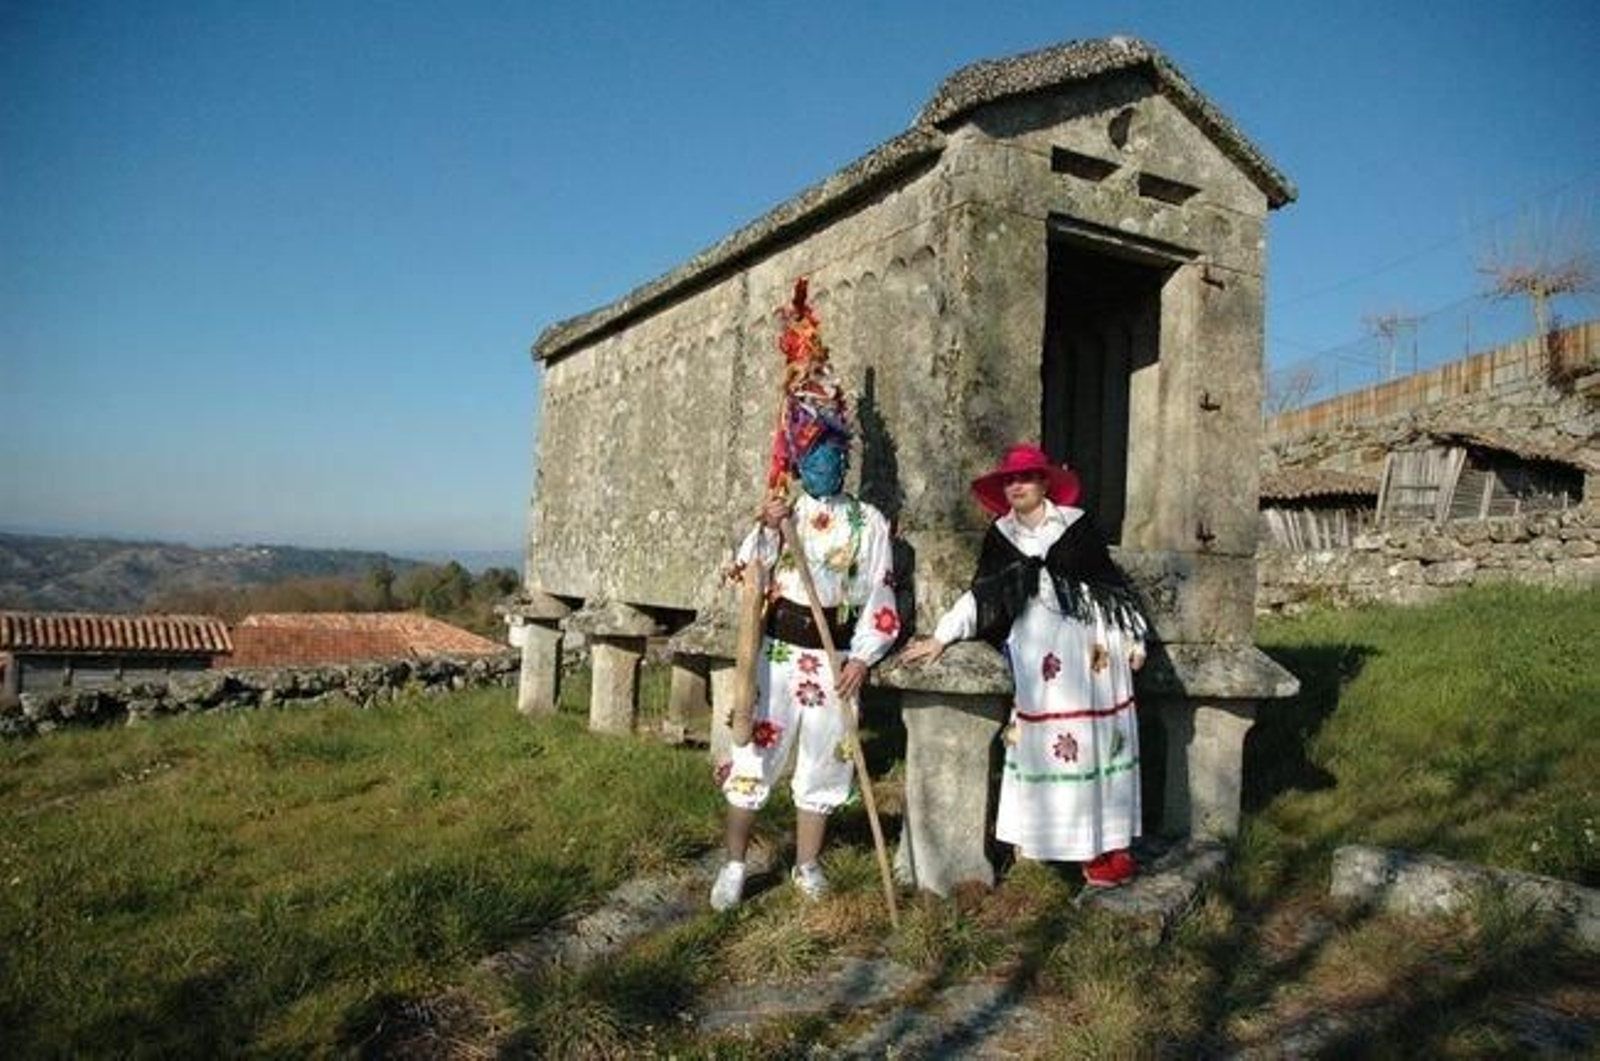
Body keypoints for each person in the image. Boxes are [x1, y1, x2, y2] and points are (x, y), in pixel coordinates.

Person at [708, 290, 901, 913]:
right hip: (778, 658)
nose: (831, 461)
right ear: (798, 455)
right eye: (817, 451)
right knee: (754, 755)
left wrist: (864, 658)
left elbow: (880, 594)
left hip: (834, 656)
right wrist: (765, 526)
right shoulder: (782, 513)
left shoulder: (869, 523)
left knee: (826, 763)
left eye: (838, 451)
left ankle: (808, 865)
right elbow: (744, 574)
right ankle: (736, 865)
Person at [901, 443, 1147, 887]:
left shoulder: (1077, 525)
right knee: (1056, 740)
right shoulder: (1002, 536)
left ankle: (1112, 844)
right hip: (1041, 650)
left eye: (1026, 478)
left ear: (1045, 482)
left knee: (1099, 741)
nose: (1016, 486)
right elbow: (983, 595)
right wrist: (941, 635)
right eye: (1009, 480)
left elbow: (1110, 583)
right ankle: (1071, 845)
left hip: (1094, 648)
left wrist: (1134, 636)